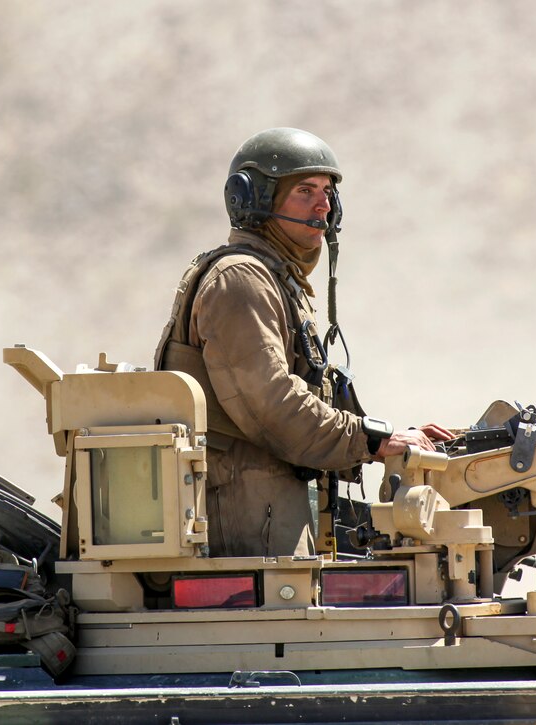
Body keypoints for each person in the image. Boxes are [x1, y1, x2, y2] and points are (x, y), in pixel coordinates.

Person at [155, 127, 449, 558]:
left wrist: (390, 439)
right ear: (257, 201)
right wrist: (372, 440)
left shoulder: (273, 279)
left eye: (328, 192)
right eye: (305, 191)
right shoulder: (241, 282)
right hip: (242, 525)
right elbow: (272, 405)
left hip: (267, 511)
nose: (323, 205)